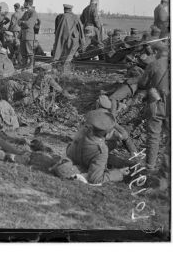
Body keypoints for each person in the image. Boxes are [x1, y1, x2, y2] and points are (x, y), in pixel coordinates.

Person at [66, 110, 130, 185]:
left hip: (72, 158)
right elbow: (95, 179)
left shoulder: (82, 131)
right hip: (82, 167)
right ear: (107, 133)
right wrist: (119, 173)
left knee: (113, 143)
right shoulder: (101, 151)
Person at [137, 42, 170, 172]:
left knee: (154, 136)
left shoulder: (154, 64)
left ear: (158, 53)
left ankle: (150, 166)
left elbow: (142, 83)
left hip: (158, 104)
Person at [52, 4, 85, 73]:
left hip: (61, 40)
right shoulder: (75, 17)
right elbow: (80, 30)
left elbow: (56, 31)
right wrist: (82, 43)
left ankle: (59, 69)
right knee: (68, 57)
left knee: (60, 55)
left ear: (64, 10)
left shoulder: (59, 17)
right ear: (70, 10)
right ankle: (65, 71)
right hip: (73, 41)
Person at [18, 0, 38, 69]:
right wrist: (22, 22)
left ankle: (31, 65)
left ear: (28, 3)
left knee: (29, 51)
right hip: (23, 35)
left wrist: (22, 22)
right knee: (23, 51)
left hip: (29, 35)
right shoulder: (26, 12)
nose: (23, 3)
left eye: (25, 2)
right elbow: (18, 22)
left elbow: (29, 24)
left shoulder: (33, 12)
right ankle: (24, 64)